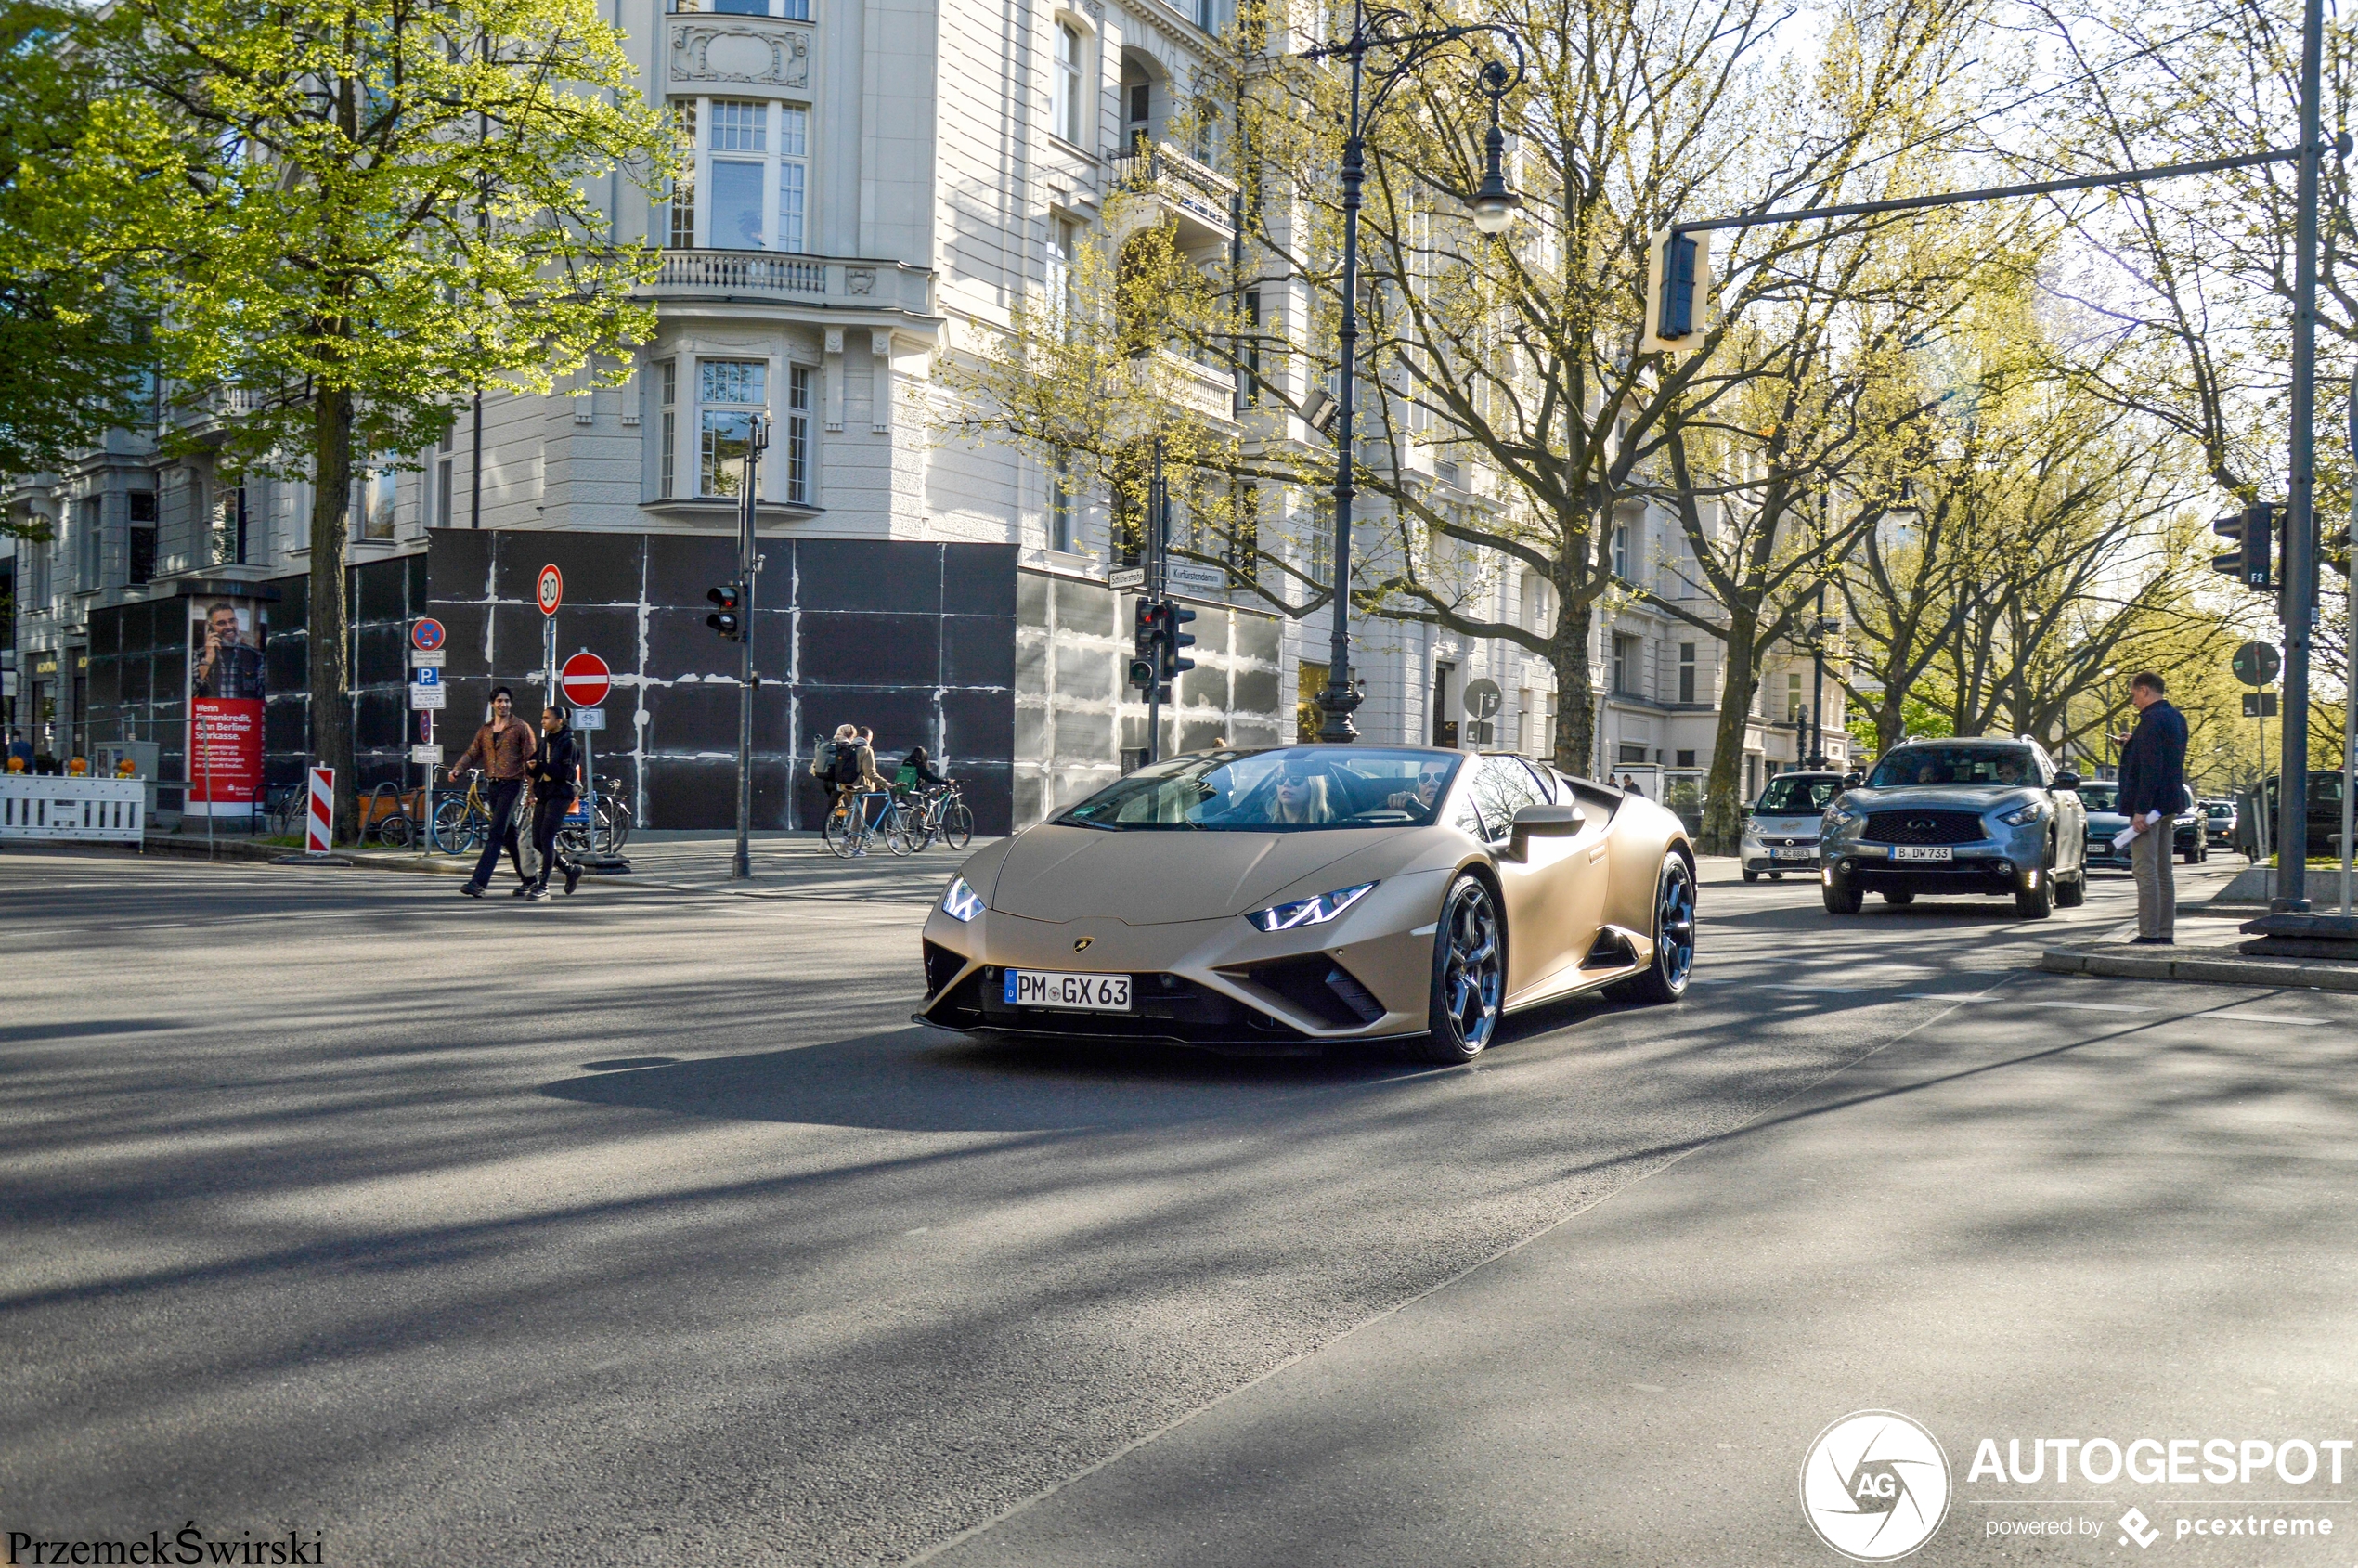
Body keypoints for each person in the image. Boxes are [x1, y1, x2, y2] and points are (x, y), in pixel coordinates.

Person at [2116, 670, 2188, 944]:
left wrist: (2141, 809)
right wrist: (2132, 743)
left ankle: (2149, 932)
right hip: (2170, 803)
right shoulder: (2176, 719)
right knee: (2164, 872)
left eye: (2134, 694)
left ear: (2145, 690)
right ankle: (2165, 931)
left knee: (2145, 871)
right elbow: (2166, 758)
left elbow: (2150, 768)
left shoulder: (2149, 722)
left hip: (2150, 807)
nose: (2133, 701)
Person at [448, 687, 538, 897]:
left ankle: (478, 883)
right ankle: (530, 880)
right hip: (494, 786)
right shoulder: (486, 730)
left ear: (511, 704)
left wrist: (532, 791)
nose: (503, 705)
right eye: (499, 701)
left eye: (506, 701)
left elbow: (532, 762)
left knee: (496, 832)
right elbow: (472, 753)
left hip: (512, 786)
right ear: (492, 704)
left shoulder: (520, 728)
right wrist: (458, 769)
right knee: (509, 836)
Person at [523, 702, 583, 901]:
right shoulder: (545, 741)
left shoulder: (569, 743)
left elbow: (566, 772)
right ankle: (570, 869)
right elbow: (536, 765)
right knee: (538, 841)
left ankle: (543, 886)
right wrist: (532, 767)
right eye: (542, 717)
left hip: (561, 794)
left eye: (547, 718)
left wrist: (541, 766)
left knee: (547, 837)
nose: (542, 721)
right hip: (545, 793)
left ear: (559, 721)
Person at [191, 603, 265, 700]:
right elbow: (189, 694)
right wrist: (208, 659)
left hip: (243, 714)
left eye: (232, 621)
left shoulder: (255, 656)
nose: (229, 627)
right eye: (222, 623)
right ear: (210, 627)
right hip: (212, 713)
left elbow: (263, 696)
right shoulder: (198, 655)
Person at [1385, 759, 1453, 816]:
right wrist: (1397, 806)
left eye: (1440, 777)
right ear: (1417, 788)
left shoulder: (1461, 821)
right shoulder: (1406, 812)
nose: (1431, 783)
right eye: (1424, 778)